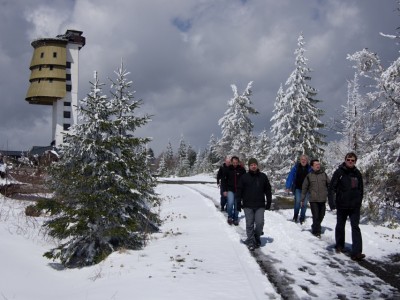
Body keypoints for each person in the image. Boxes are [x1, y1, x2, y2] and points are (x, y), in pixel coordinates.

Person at [328, 152, 365, 261]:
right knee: (340, 225)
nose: (350, 161)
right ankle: (339, 245)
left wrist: (359, 201)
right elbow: (331, 188)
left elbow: (361, 189)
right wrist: (332, 203)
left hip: (354, 206)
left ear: (355, 162)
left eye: (352, 160)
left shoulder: (357, 173)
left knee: (355, 227)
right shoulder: (339, 172)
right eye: (348, 159)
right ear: (345, 160)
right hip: (342, 204)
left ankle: (357, 252)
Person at [236, 158, 272, 251]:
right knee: (249, 223)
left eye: (255, 164)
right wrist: (238, 203)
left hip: (260, 204)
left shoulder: (263, 176)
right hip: (248, 205)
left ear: (257, 165)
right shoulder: (244, 177)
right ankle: (251, 241)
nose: (253, 166)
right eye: (251, 165)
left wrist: (269, 202)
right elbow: (239, 190)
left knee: (260, 223)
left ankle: (256, 236)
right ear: (249, 166)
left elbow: (268, 190)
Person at [301, 159, 330, 238]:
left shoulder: (324, 174)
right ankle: (316, 231)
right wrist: (302, 199)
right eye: (316, 164)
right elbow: (304, 188)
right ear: (312, 166)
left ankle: (315, 225)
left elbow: (329, 185)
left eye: (318, 164)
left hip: (323, 199)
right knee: (316, 215)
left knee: (322, 215)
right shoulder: (309, 176)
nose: (318, 165)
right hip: (313, 199)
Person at [285, 154, 311, 224]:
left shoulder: (310, 169)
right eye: (302, 159)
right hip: (298, 188)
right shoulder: (296, 167)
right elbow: (291, 176)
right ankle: (295, 216)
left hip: (306, 189)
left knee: (304, 204)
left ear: (307, 161)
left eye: (305, 160)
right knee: (297, 202)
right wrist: (288, 186)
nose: (303, 161)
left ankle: (302, 217)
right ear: (300, 160)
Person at [221, 156, 246, 226]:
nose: (235, 164)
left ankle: (235, 218)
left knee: (237, 205)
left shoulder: (242, 170)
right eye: (234, 162)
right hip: (230, 190)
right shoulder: (228, 169)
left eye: (236, 162)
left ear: (238, 162)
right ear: (231, 162)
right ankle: (230, 216)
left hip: (239, 190)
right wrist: (225, 190)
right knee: (230, 203)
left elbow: (245, 180)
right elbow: (224, 180)